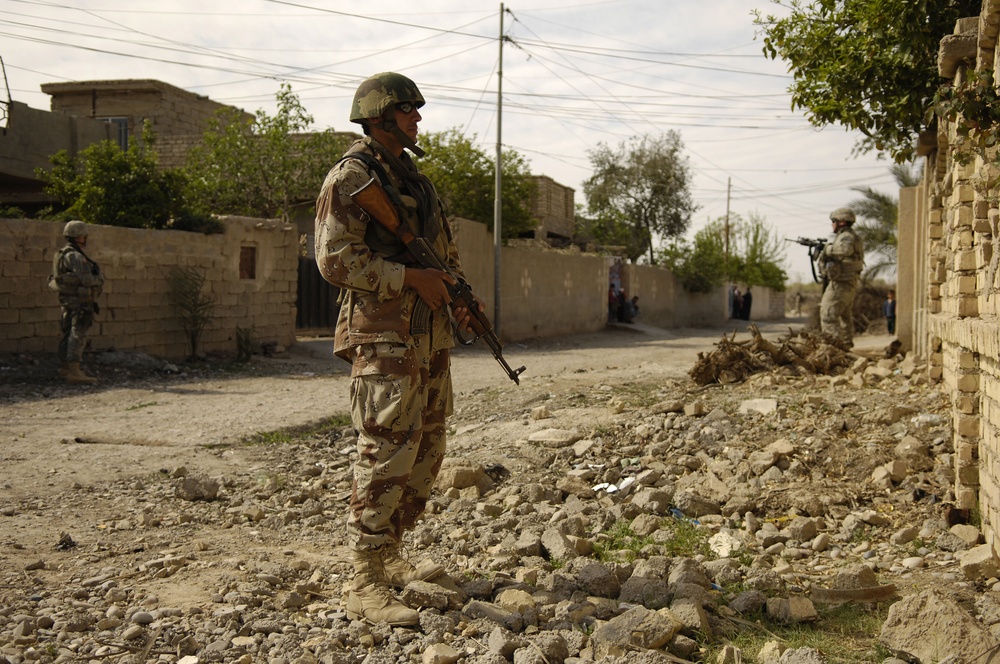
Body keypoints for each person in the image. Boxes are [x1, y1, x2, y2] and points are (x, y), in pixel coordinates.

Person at [314, 72, 479, 626]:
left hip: (428, 336)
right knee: (386, 451)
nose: (418, 119)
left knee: (427, 453)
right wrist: (409, 279)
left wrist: (456, 295)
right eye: (409, 110)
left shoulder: (417, 182)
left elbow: (443, 255)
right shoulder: (352, 177)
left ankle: (390, 557)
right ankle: (363, 578)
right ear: (381, 116)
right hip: (384, 335)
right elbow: (334, 259)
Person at [50, 220, 104, 384]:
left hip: (68, 299)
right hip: (79, 300)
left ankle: (66, 368)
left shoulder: (62, 253)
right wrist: (100, 278)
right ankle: (74, 371)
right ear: (79, 237)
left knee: (68, 333)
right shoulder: (75, 256)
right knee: (78, 333)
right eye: (84, 235)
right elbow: (86, 279)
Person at [819, 208, 865, 346]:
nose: (832, 224)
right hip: (847, 282)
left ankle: (833, 348)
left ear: (842, 222)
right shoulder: (850, 236)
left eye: (834, 221)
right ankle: (845, 345)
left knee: (828, 314)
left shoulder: (846, 237)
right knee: (845, 315)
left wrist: (826, 249)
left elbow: (844, 250)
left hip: (841, 283)